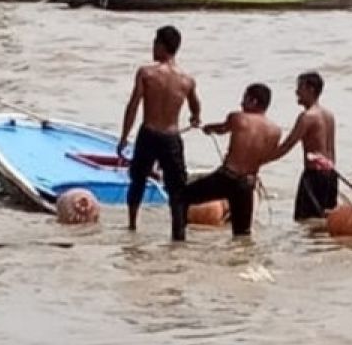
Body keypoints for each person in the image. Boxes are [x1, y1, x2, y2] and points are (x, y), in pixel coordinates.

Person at [117, 25, 201, 238]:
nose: (152, 47)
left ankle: (132, 225)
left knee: (138, 181)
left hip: (149, 134)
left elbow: (133, 105)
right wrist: (195, 118)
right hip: (171, 138)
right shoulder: (187, 80)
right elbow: (195, 104)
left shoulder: (146, 73)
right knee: (176, 189)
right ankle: (178, 234)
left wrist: (124, 137)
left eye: (155, 43)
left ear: (162, 46)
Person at [174, 83, 282, 240]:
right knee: (242, 233)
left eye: (244, 98)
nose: (241, 103)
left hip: (226, 178)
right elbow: (266, 157)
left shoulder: (238, 118)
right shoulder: (275, 131)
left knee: (180, 198)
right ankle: (243, 262)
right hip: (247, 183)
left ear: (253, 101)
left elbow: (223, 128)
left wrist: (208, 128)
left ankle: (178, 242)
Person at [272, 72, 338, 220]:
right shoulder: (329, 115)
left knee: (306, 220)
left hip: (314, 176)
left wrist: (260, 160)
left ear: (311, 89)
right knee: (326, 219)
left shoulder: (307, 117)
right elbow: (332, 149)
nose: (296, 92)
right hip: (331, 174)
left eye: (300, 87)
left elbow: (287, 145)